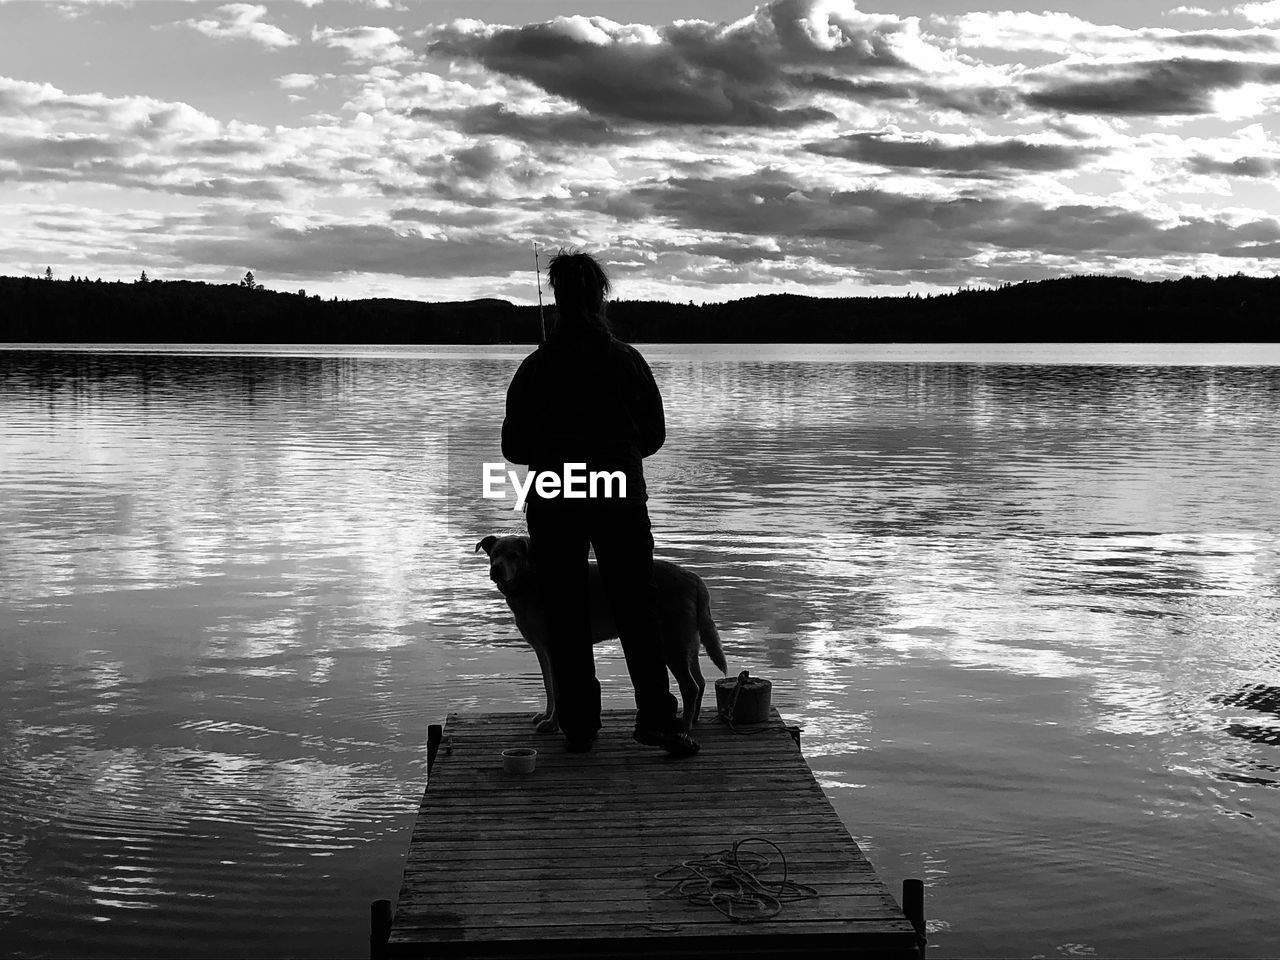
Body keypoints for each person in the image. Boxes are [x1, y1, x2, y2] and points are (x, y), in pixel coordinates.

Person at [500, 250, 699, 758]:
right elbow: (653, 435)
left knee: (564, 607)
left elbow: (513, 449)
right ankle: (655, 716)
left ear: (559, 301)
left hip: (555, 495)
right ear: (601, 298)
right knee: (637, 603)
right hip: (618, 491)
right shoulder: (628, 360)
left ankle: (580, 725)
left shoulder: (536, 366)